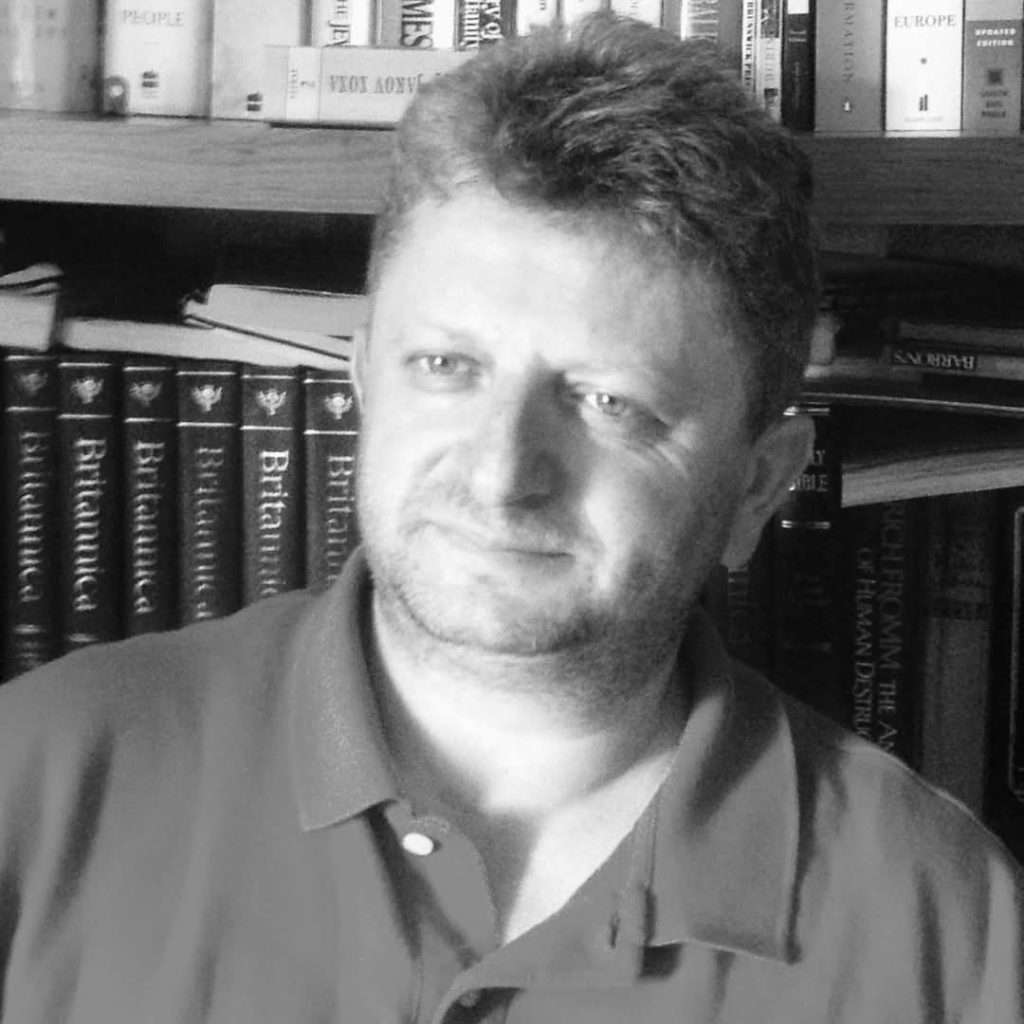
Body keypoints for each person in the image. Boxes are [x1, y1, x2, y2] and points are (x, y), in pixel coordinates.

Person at [0, 13, 1021, 1023]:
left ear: (760, 483)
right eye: (447, 367)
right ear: (363, 384)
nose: (501, 473)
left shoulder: (947, 925)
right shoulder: (34, 780)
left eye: (609, 402)